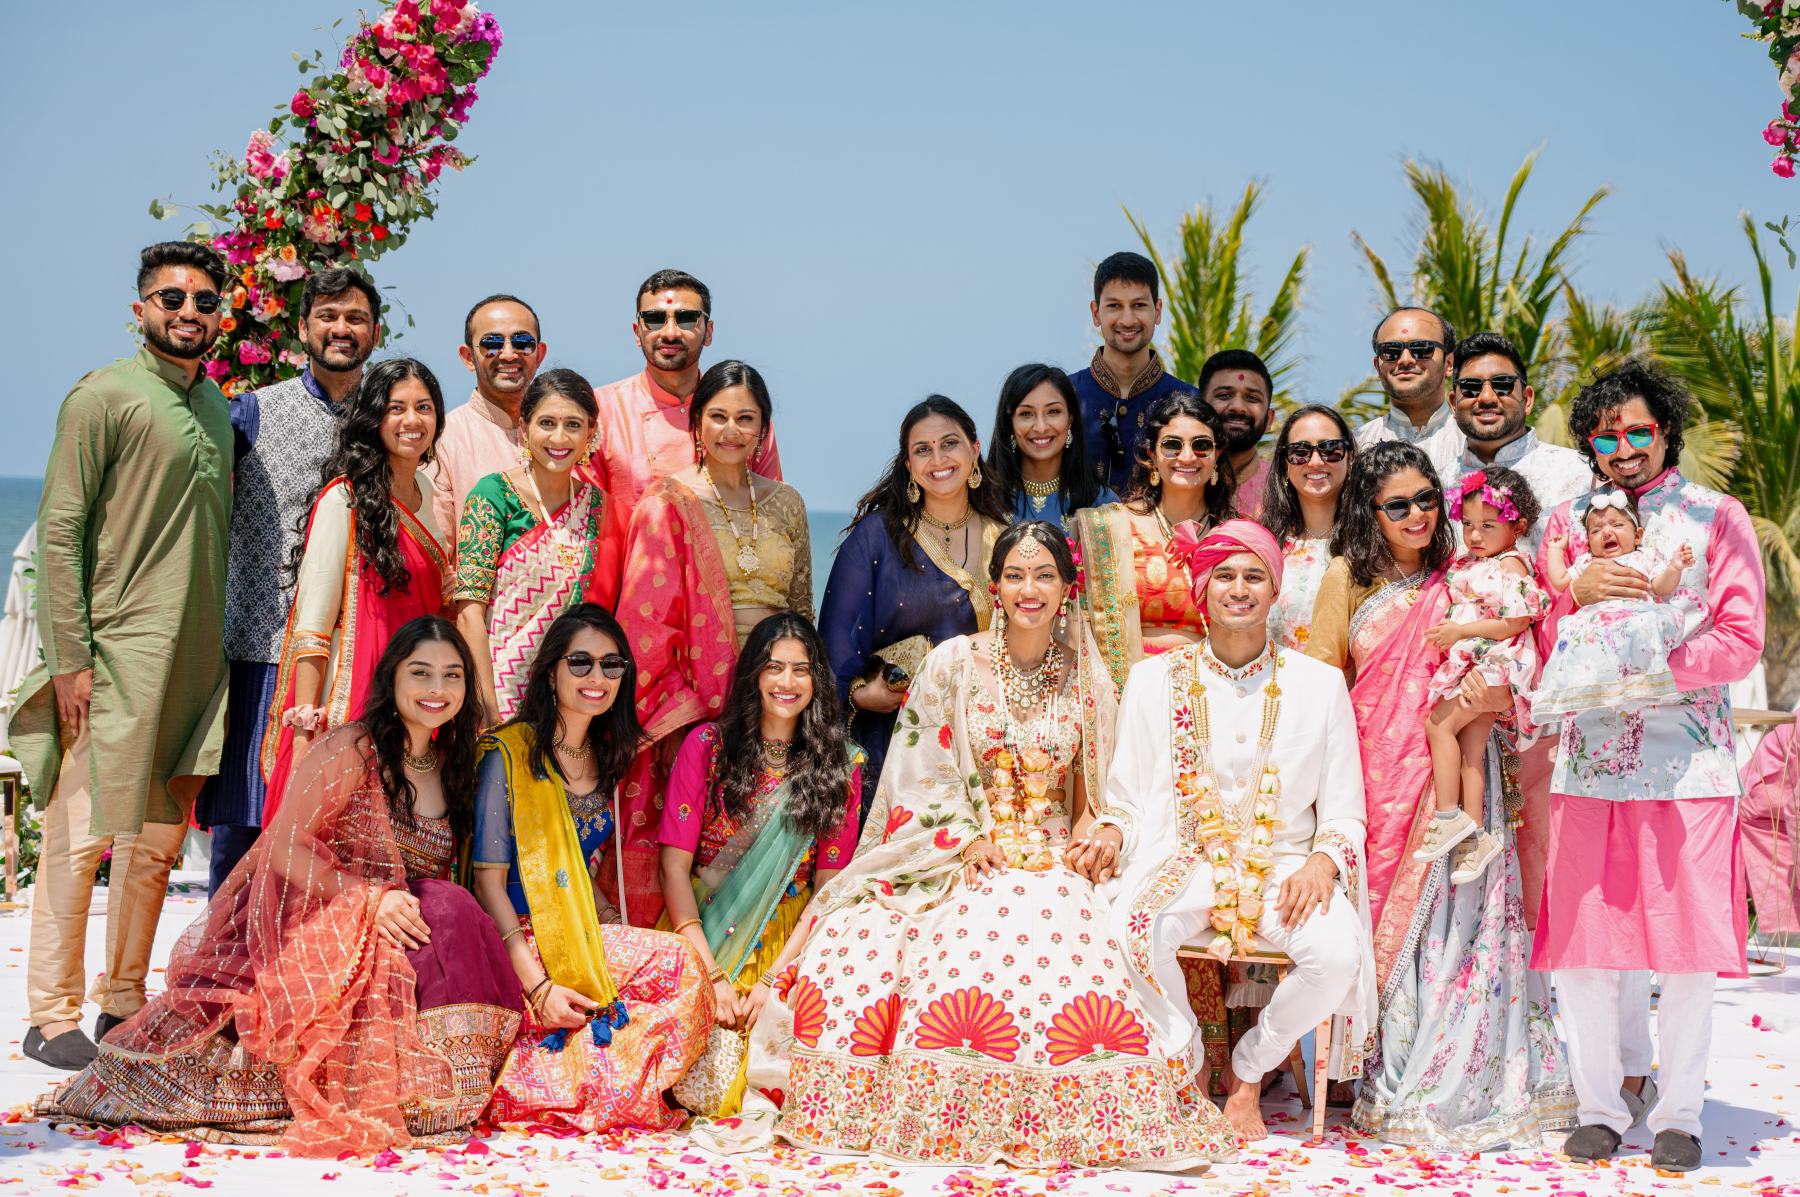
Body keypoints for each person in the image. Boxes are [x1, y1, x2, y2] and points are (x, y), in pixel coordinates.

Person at [742, 521, 1235, 1167]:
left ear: (1066, 586)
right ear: (995, 585)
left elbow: (1095, 798)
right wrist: (969, 839)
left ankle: (1082, 1116)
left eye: (1044, 575)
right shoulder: (952, 663)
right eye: (1015, 574)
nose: (1029, 588)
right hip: (961, 850)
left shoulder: (1088, 678)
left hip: (1054, 861)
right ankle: (931, 1107)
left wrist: (1097, 842)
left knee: (1068, 944)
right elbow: (919, 774)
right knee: (862, 937)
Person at [37, 616, 522, 1154]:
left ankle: (441, 1087)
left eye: (453, 676)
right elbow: (285, 846)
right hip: (325, 919)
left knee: (450, 907)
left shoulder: (455, 763)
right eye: (422, 673)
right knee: (444, 908)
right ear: (392, 678)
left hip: (403, 928)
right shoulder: (352, 749)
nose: (437, 689)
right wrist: (368, 899)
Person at [1530, 361, 1764, 1172]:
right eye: (1606, 434)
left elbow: (1740, 637)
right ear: (1589, 440)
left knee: (1690, 948)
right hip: (1588, 765)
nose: (1623, 447)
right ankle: (1599, 1105)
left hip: (1689, 769)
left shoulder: (1714, 516)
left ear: (1665, 430)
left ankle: (1681, 1114)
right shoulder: (1563, 523)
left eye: (1638, 431)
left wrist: (1646, 669)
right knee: (1588, 946)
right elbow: (1546, 625)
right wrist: (1574, 592)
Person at [1306, 442, 1574, 1149]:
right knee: (1389, 920)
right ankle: (1382, 1067)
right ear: (1370, 510)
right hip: (1376, 772)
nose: (1418, 514)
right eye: (1398, 504)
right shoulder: (1348, 576)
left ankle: (1465, 1070)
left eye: (1428, 498)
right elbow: (1317, 682)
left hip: (1460, 766)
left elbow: (1524, 634)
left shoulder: (1464, 571)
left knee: (1462, 915)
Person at [13, 243, 233, 1070]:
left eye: (204, 300)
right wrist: (70, 657)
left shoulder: (214, 404)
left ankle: (121, 1002)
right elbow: (60, 531)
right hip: (113, 653)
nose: (188, 311)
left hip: (194, 659)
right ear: (139, 308)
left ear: (222, 315)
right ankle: (49, 1013)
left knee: (153, 845)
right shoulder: (101, 396)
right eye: (170, 297)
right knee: (80, 835)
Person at [1094, 520, 1374, 1142]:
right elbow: (1125, 798)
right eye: (1223, 575)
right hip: (1183, 858)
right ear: (1202, 589)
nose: (1238, 589)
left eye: (1254, 576)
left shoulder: (1319, 685)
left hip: (1283, 870)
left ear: (1275, 591)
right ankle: (1187, 1065)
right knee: (1132, 929)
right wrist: (1112, 833)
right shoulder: (1152, 680)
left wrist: (1322, 864)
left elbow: (1345, 811)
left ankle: (1249, 1074)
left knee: (1335, 957)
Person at [469, 603, 714, 1134]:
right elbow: (488, 883)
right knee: (678, 962)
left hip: (579, 928)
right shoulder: (508, 754)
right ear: (550, 670)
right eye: (580, 663)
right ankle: (552, 1079)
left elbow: (578, 868)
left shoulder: (601, 758)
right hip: (518, 940)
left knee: (677, 977)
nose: (597, 677)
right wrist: (537, 987)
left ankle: (587, 1084)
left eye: (611, 665)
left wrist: (607, 916)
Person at [613, 361, 814, 926]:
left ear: (763, 428)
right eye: (718, 416)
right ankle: (697, 948)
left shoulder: (787, 502)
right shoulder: (669, 501)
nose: (732, 430)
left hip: (779, 685)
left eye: (746, 419)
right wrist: (688, 705)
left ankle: (765, 947)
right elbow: (646, 622)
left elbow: (800, 608)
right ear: (696, 424)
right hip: (701, 691)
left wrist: (804, 682)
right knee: (705, 830)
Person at [201, 267, 382, 894]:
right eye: (327, 316)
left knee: (336, 830)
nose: (341, 328)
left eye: (355, 317)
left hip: (354, 662)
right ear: (303, 328)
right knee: (246, 825)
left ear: (375, 332)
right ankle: (222, 972)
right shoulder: (252, 413)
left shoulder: (393, 419)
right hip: (261, 651)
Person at [656, 613, 864, 1120]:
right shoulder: (707, 748)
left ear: (817, 679)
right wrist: (714, 975)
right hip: (699, 935)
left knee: (766, 1088)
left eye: (800, 669)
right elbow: (673, 869)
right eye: (774, 668)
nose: (787, 683)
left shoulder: (841, 766)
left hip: (790, 944)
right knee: (690, 1082)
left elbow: (828, 889)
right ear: (753, 674)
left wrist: (774, 978)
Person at [1442, 333, 1593, 933]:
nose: (1486, 398)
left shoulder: (1571, 474)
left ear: (1526, 396)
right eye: (1471, 388)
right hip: (1457, 676)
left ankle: (1537, 1019)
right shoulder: (1432, 474)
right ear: (1452, 399)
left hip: (1541, 695)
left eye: (1500, 386)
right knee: (1454, 865)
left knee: (1546, 868)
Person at [259, 358, 450, 829]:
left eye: (423, 407)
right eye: (396, 408)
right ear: (373, 418)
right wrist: (306, 732)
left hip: (420, 702)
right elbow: (312, 628)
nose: (412, 421)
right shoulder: (343, 499)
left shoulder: (430, 492)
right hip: (352, 704)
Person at [819, 397, 1010, 822]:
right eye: (922, 450)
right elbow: (832, 648)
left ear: (975, 449)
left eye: (950, 444)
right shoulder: (876, 538)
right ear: (908, 464)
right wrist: (856, 694)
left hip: (984, 737)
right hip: (893, 740)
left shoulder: (1007, 540)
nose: (938, 459)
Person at [452, 368, 613, 727]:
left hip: (574, 697)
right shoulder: (494, 493)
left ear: (591, 431)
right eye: (547, 423)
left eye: (573, 425)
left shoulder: (602, 509)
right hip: (499, 687)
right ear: (524, 429)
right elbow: (469, 613)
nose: (560, 437)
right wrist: (486, 708)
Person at [1414, 467, 1547, 885]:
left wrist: (1460, 631)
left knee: (1437, 726)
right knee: (1471, 746)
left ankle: (1448, 815)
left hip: (1496, 663)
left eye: (1488, 525)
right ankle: (1477, 837)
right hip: (1480, 663)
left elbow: (1514, 622)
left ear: (1517, 525)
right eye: (1468, 524)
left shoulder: (1511, 565)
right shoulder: (1476, 563)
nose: (1474, 535)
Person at [1073, 394, 1236, 692]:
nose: (1187, 457)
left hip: (1216, 692)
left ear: (1218, 455)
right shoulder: (1109, 527)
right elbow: (1080, 625)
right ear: (1152, 454)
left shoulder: (1236, 537)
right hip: (1129, 693)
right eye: (1172, 445)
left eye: (1201, 446)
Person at [592, 270, 782, 520]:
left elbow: (772, 512)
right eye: (655, 318)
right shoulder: (600, 409)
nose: (670, 333)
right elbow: (585, 519)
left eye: (686, 318)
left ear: (709, 331)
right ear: (637, 332)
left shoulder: (744, 412)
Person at [1535, 488, 1702, 715]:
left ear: (1638, 536)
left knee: (1652, 624)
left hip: (1635, 622)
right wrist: (1555, 550)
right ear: (1588, 544)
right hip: (1599, 630)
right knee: (1573, 635)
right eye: (1596, 530)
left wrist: (1674, 567)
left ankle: (1647, 685)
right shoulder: (1588, 563)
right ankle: (1574, 692)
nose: (1606, 532)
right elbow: (1561, 581)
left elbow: (1660, 586)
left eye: (1617, 525)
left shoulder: (1644, 557)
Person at [1073, 252, 1202, 495]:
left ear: (1158, 310)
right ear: (1096, 313)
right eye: (1114, 306)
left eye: (1139, 305)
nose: (1127, 319)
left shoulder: (1189, 401)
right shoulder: (1065, 397)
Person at [427, 294, 547, 537]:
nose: (508, 354)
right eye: (491, 344)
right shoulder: (442, 438)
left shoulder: (567, 434)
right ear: (469, 357)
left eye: (523, 342)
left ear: (539, 354)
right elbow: (435, 552)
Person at [1258, 404, 1356, 652]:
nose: (1315, 461)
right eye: (1300, 452)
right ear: (1285, 463)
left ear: (1350, 456)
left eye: (1330, 450)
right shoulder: (1263, 545)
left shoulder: (1373, 540)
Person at [984, 362, 1115, 526]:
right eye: (1026, 414)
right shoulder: (986, 502)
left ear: (1070, 420)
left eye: (1053, 412)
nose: (1041, 427)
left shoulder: (1101, 504)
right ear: (1010, 424)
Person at [1353, 308, 1463, 478]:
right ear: (1377, 366)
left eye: (1421, 349)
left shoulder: (1475, 443)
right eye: (1390, 351)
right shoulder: (1356, 447)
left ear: (1449, 363)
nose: (1405, 359)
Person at [1198, 349, 1276, 519]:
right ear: (1199, 409)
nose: (1238, 407)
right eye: (1224, 395)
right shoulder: (1176, 477)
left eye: (1252, 398)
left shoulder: (1285, 486)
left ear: (1269, 419)